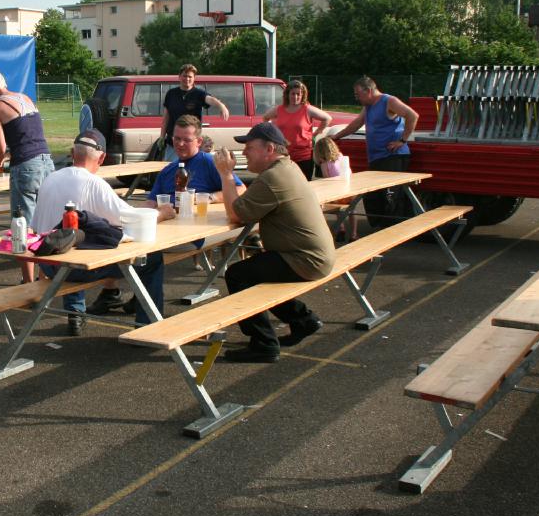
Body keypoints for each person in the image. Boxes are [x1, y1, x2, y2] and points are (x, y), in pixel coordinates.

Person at [88, 114, 245, 315]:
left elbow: (240, 189)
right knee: (119, 238)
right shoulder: (169, 169)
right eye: (176, 138)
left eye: (186, 140)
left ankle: (141, 306)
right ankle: (118, 293)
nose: (180, 144)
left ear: (199, 141)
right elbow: (150, 202)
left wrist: (208, 197)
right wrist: (138, 215)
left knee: (146, 253)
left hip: (195, 232)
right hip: (166, 228)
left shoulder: (209, 162)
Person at [212, 122, 336, 363]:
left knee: (238, 275)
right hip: (316, 255)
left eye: (249, 147)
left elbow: (236, 214)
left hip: (306, 259)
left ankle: (264, 344)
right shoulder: (288, 167)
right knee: (259, 270)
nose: (244, 152)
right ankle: (303, 320)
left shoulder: (272, 177)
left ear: (269, 149)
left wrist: (226, 174)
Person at [30, 129, 174, 335]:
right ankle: (148, 325)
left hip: (48, 264)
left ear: (73, 153)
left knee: (72, 240)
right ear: (102, 157)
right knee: (151, 259)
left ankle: (75, 312)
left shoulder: (50, 179)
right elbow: (131, 219)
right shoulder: (94, 183)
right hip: (75, 268)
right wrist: (162, 213)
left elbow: (37, 227)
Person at [0, 66, 54, 282]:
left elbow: (0, 148)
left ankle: (28, 283)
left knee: (23, 228)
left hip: (25, 167)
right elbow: (25, 135)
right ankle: (44, 276)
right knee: (45, 224)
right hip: (47, 162)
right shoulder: (25, 98)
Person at [332, 76, 419, 229]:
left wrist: (402, 140)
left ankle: (395, 228)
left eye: (358, 94)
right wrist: (336, 136)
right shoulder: (368, 106)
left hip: (392, 156)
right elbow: (356, 123)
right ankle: (380, 227)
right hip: (376, 157)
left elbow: (412, 115)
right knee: (373, 196)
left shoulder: (389, 101)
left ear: (369, 91)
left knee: (391, 196)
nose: (357, 98)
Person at [158, 64, 230, 162]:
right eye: (184, 76)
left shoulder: (199, 94)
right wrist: (162, 137)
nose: (187, 79)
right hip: (173, 143)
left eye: (190, 76)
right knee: (171, 168)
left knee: (191, 169)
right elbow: (166, 118)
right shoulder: (171, 94)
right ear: (179, 77)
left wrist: (221, 106)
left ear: (194, 78)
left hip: (191, 143)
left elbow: (210, 99)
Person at [263, 80, 332, 179]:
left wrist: (316, 133)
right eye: (293, 94)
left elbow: (327, 118)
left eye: (298, 94)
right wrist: (271, 134)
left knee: (303, 183)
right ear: (287, 94)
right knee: (284, 184)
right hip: (283, 156)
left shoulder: (307, 109)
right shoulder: (279, 109)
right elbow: (265, 117)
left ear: (302, 95)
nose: (295, 97)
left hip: (303, 156)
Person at [313, 136, 359, 244]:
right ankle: (354, 234)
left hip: (337, 193)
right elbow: (349, 172)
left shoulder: (325, 164)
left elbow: (327, 180)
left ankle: (341, 228)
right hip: (348, 190)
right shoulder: (342, 157)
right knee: (352, 211)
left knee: (336, 208)